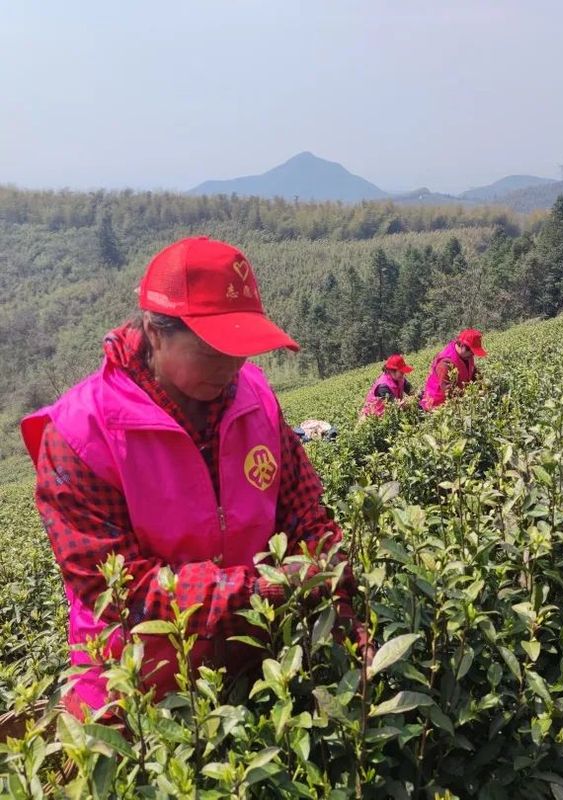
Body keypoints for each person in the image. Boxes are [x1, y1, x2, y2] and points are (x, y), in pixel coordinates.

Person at [21, 236, 363, 719]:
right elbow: (119, 589)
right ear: (157, 333)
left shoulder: (255, 400)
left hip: (256, 667)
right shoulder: (79, 434)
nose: (232, 366)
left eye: (241, 349)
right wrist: (262, 590)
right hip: (141, 698)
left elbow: (304, 512)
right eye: (212, 350)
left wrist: (339, 590)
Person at [420, 328, 487, 411]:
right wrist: (471, 395)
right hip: (438, 405)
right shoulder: (445, 362)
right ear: (462, 346)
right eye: (472, 352)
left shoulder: (466, 355)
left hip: (457, 401)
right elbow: (448, 391)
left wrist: (483, 387)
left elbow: (474, 373)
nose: (473, 355)